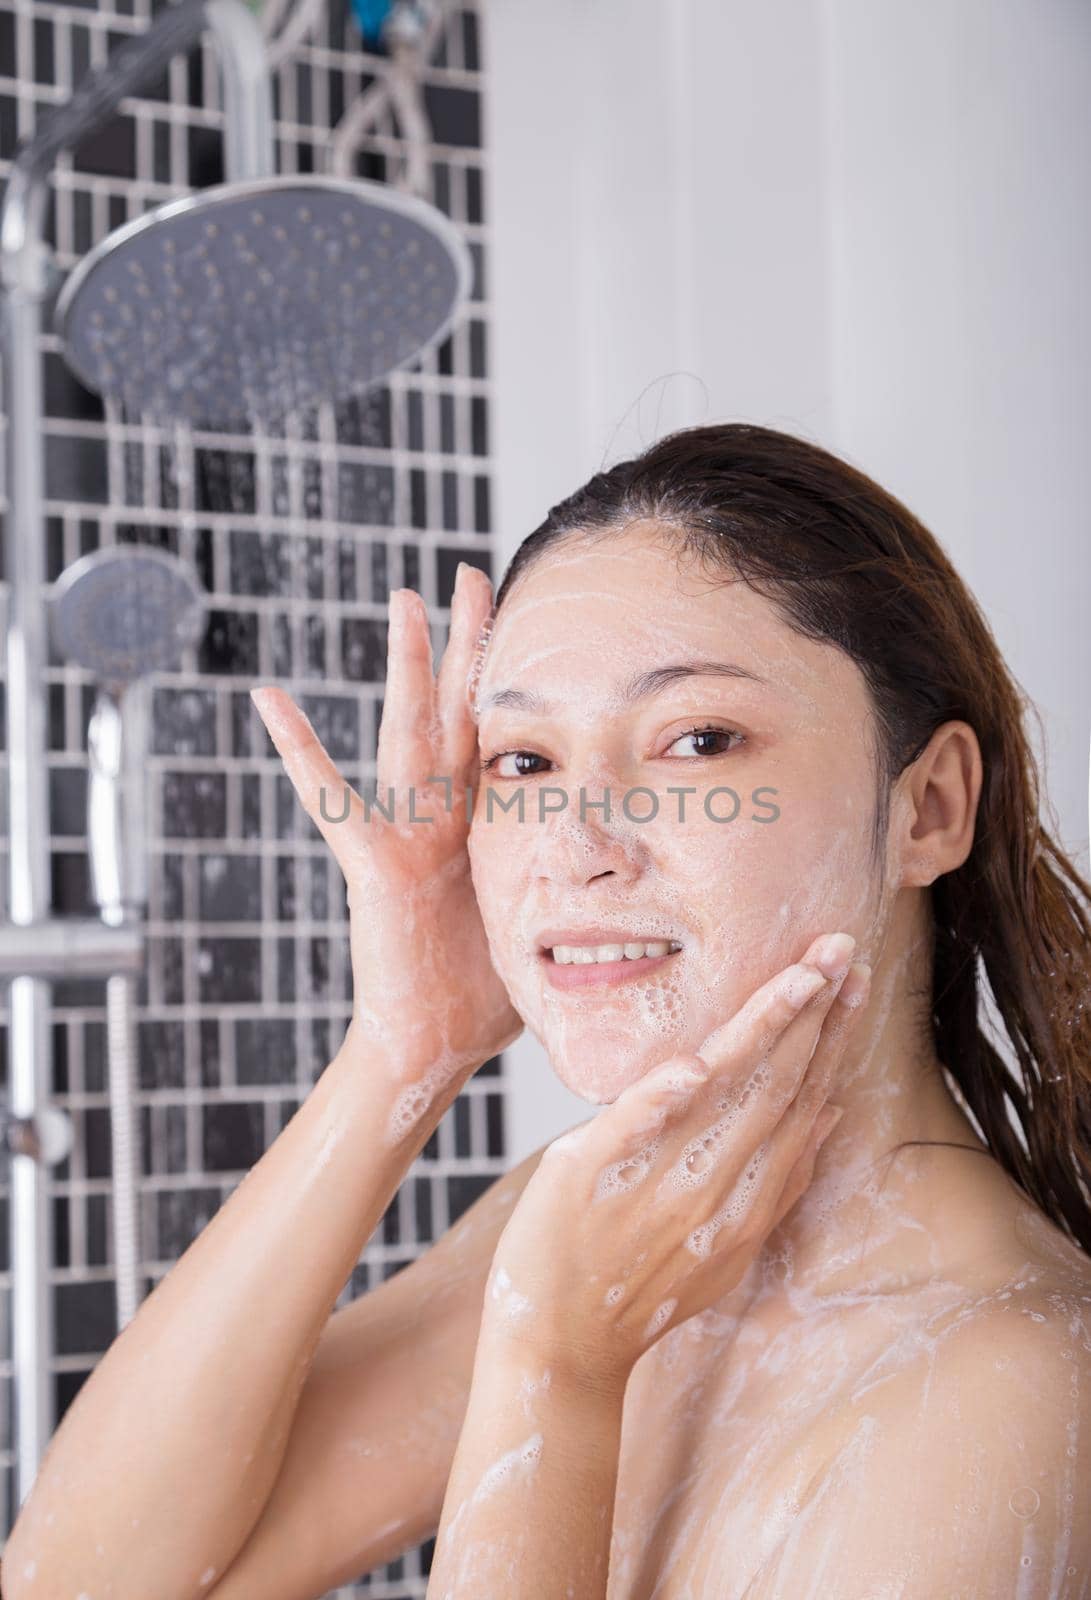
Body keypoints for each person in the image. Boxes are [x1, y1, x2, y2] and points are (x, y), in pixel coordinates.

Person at [5, 423, 1089, 1600]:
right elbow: (73, 1581)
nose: (573, 849)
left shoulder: (1012, 1392)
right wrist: (402, 1051)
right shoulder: (609, 1236)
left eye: (694, 740)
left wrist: (558, 1372)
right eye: (521, 761)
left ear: (926, 806)